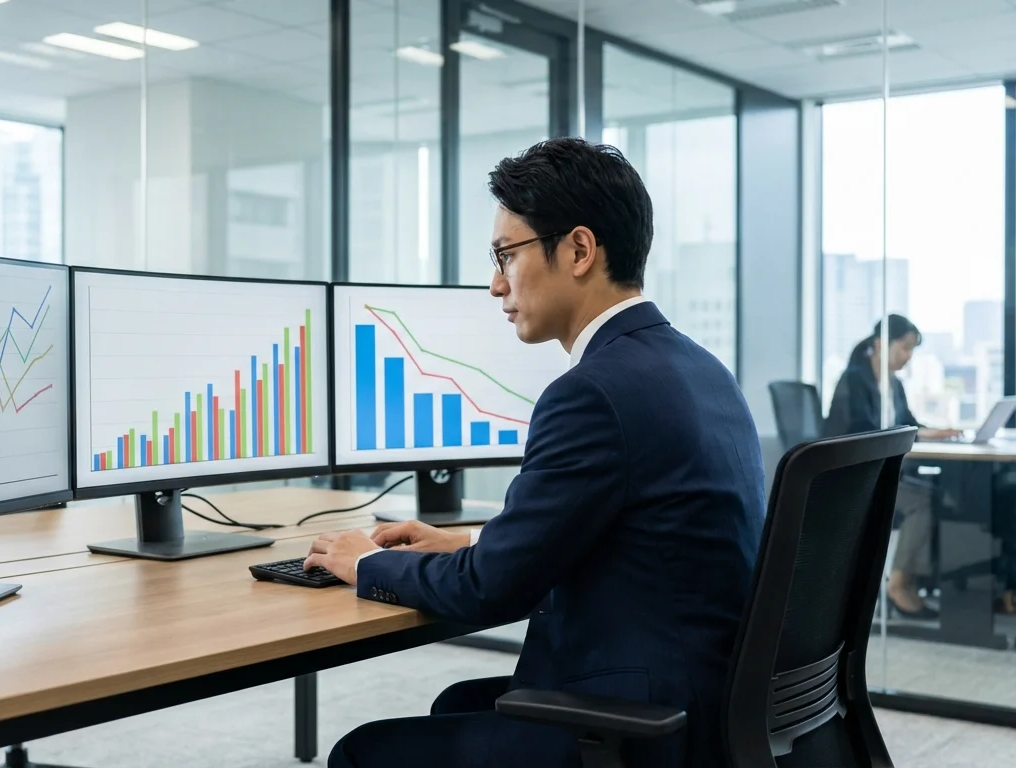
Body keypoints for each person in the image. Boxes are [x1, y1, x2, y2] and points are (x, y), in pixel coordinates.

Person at [304, 138, 766, 768]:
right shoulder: (700, 368)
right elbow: (636, 536)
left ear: (578, 250)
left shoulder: (592, 393)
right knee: (457, 703)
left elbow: (488, 592)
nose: (496, 284)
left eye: (506, 255)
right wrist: (470, 543)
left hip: (648, 723)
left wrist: (365, 563)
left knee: (362, 753)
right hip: (711, 700)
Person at [824, 315, 959, 618]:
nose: (908, 356)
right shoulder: (854, 379)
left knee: (936, 494)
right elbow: (860, 432)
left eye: (912, 350)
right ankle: (898, 585)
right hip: (855, 477)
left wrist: (934, 432)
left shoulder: (893, 384)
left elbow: (906, 423)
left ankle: (914, 581)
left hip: (881, 471)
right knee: (922, 502)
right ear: (880, 344)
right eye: (905, 347)